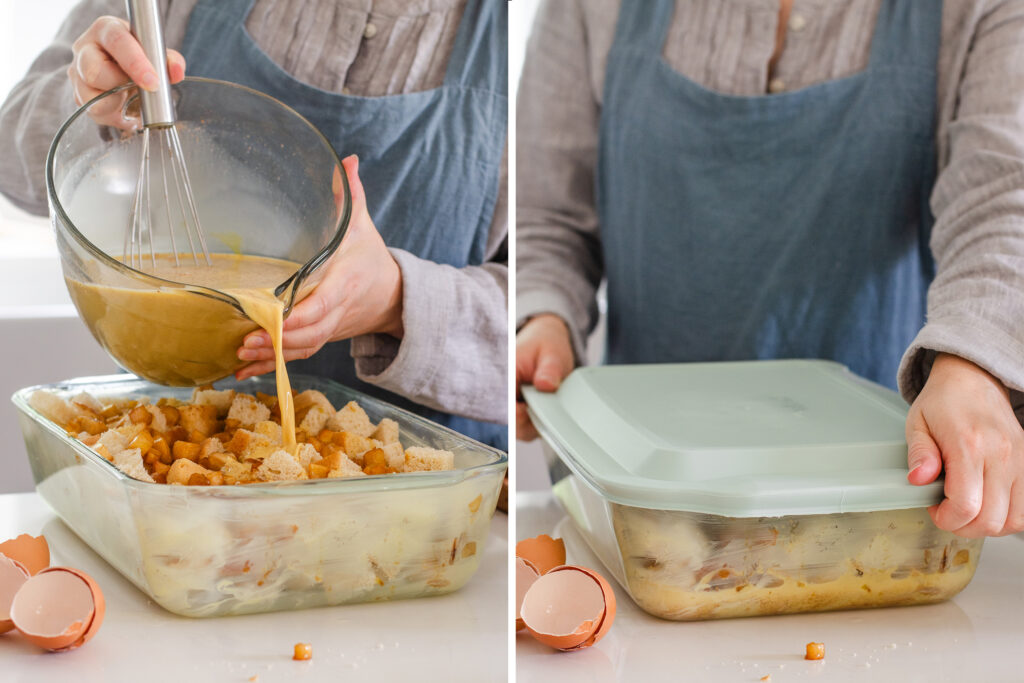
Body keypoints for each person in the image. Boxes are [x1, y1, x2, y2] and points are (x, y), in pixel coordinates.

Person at [517, 0, 1024, 535]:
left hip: (884, 502)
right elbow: (547, 212)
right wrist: (543, 314)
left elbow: (1003, 197)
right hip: (641, 499)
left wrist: (973, 363)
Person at [0, 0, 508, 449]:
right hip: (163, 448)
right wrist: (91, 104)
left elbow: (542, 310)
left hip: (434, 489)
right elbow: (12, 156)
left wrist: (394, 299)